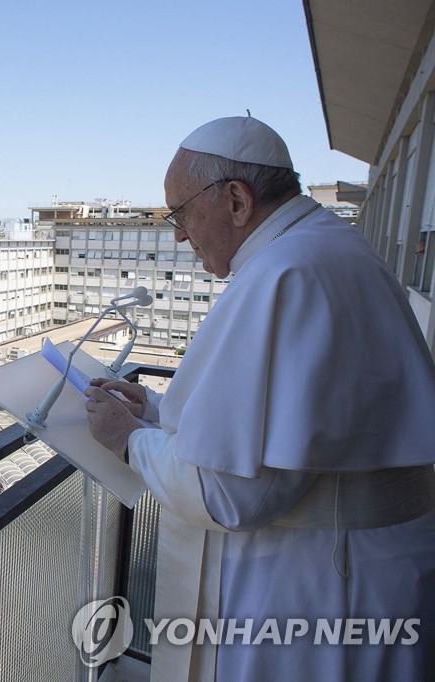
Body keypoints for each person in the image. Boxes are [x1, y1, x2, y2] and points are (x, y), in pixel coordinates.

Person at [84, 116, 435, 681]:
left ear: (238, 201)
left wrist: (131, 442)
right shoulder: (323, 247)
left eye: (181, 214)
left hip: (322, 587)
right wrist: (153, 410)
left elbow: (227, 493)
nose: (177, 234)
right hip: (359, 567)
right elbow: (273, 420)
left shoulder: (284, 272)